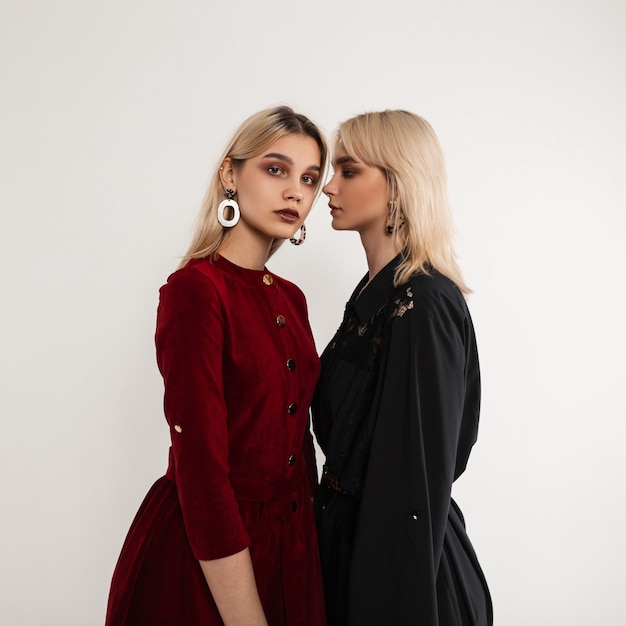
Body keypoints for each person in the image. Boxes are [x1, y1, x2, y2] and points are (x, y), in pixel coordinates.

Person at [105, 106, 328, 626]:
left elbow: (301, 445)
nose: (296, 191)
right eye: (276, 169)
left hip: (293, 555)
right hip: (205, 561)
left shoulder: (292, 299)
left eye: (310, 178)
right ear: (230, 174)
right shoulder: (195, 291)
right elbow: (202, 471)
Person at [313, 110, 493, 626]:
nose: (328, 187)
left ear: (397, 185)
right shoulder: (376, 294)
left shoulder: (424, 302)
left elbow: (416, 480)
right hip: (349, 551)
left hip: (398, 575)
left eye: (348, 171)